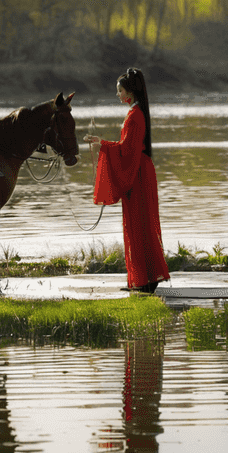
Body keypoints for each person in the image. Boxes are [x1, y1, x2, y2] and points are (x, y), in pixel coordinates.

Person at [84, 68, 170, 293]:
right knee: (140, 225)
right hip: (140, 170)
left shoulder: (135, 115)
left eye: (120, 91)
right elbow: (127, 148)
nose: (118, 95)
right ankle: (144, 279)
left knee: (139, 226)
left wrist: (103, 144)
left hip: (138, 173)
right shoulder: (136, 113)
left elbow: (127, 151)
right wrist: (102, 142)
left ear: (130, 92)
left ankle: (146, 280)